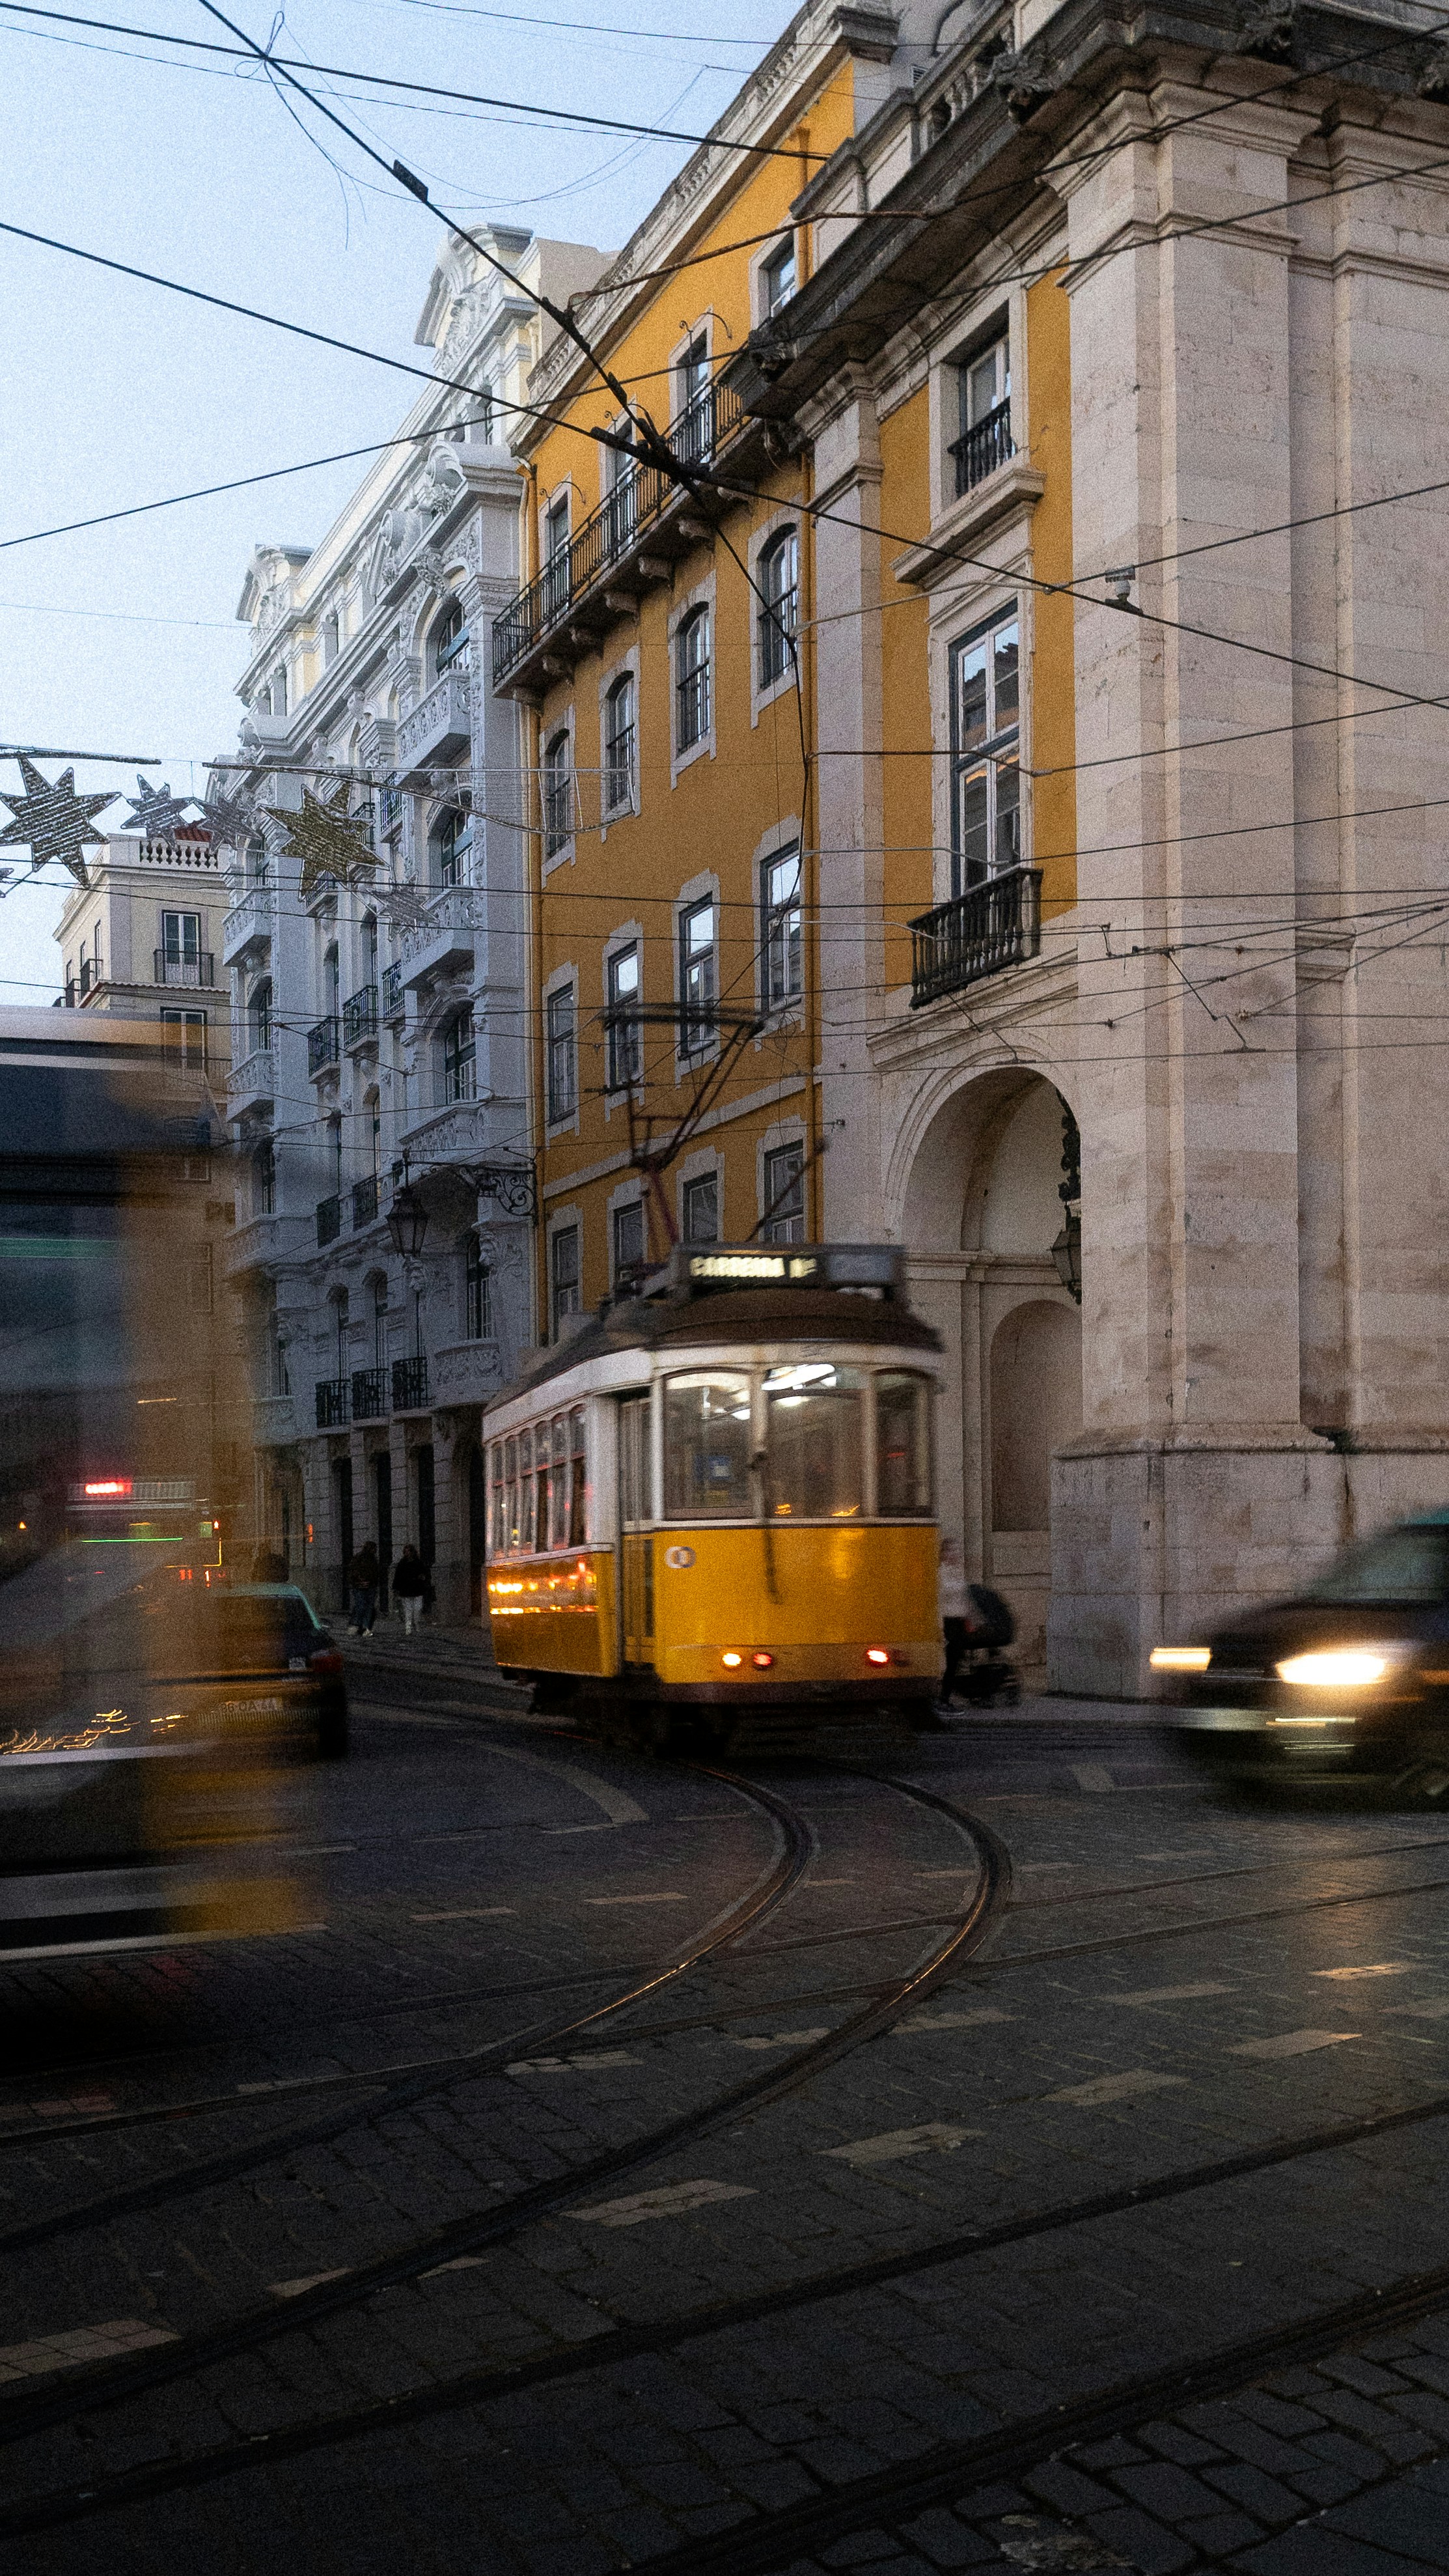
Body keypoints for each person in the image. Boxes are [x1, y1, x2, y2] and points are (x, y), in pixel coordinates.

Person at [939, 1532, 969, 1708]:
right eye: (952, 1550)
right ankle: (944, 1697)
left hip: (959, 1621)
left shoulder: (958, 1573)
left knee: (957, 1661)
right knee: (951, 1662)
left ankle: (950, 1694)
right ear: (944, 1553)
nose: (956, 1554)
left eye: (958, 1550)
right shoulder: (941, 1573)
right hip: (948, 1621)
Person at [391, 1542, 427, 1636]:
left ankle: (417, 1623)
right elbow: (397, 1576)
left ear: (412, 1552)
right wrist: (396, 1588)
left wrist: (423, 1578)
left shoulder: (419, 1562)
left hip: (417, 1588)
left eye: (408, 1552)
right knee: (408, 1610)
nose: (407, 1554)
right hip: (406, 1589)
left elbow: (425, 1573)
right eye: (405, 1552)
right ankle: (408, 1627)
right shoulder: (402, 1563)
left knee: (418, 1608)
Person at [347, 1539, 380, 1636]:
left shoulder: (374, 1560)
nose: (375, 1550)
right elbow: (352, 1572)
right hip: (359, 1587)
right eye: (374, 1548)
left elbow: (376, 1573)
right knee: (361, 1606)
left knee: (369, 1607)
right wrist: (360, 1580)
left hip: (371, 1586)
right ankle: (356, 1625)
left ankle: (366, 1627)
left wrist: (373, 1582)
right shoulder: (359, 1558)